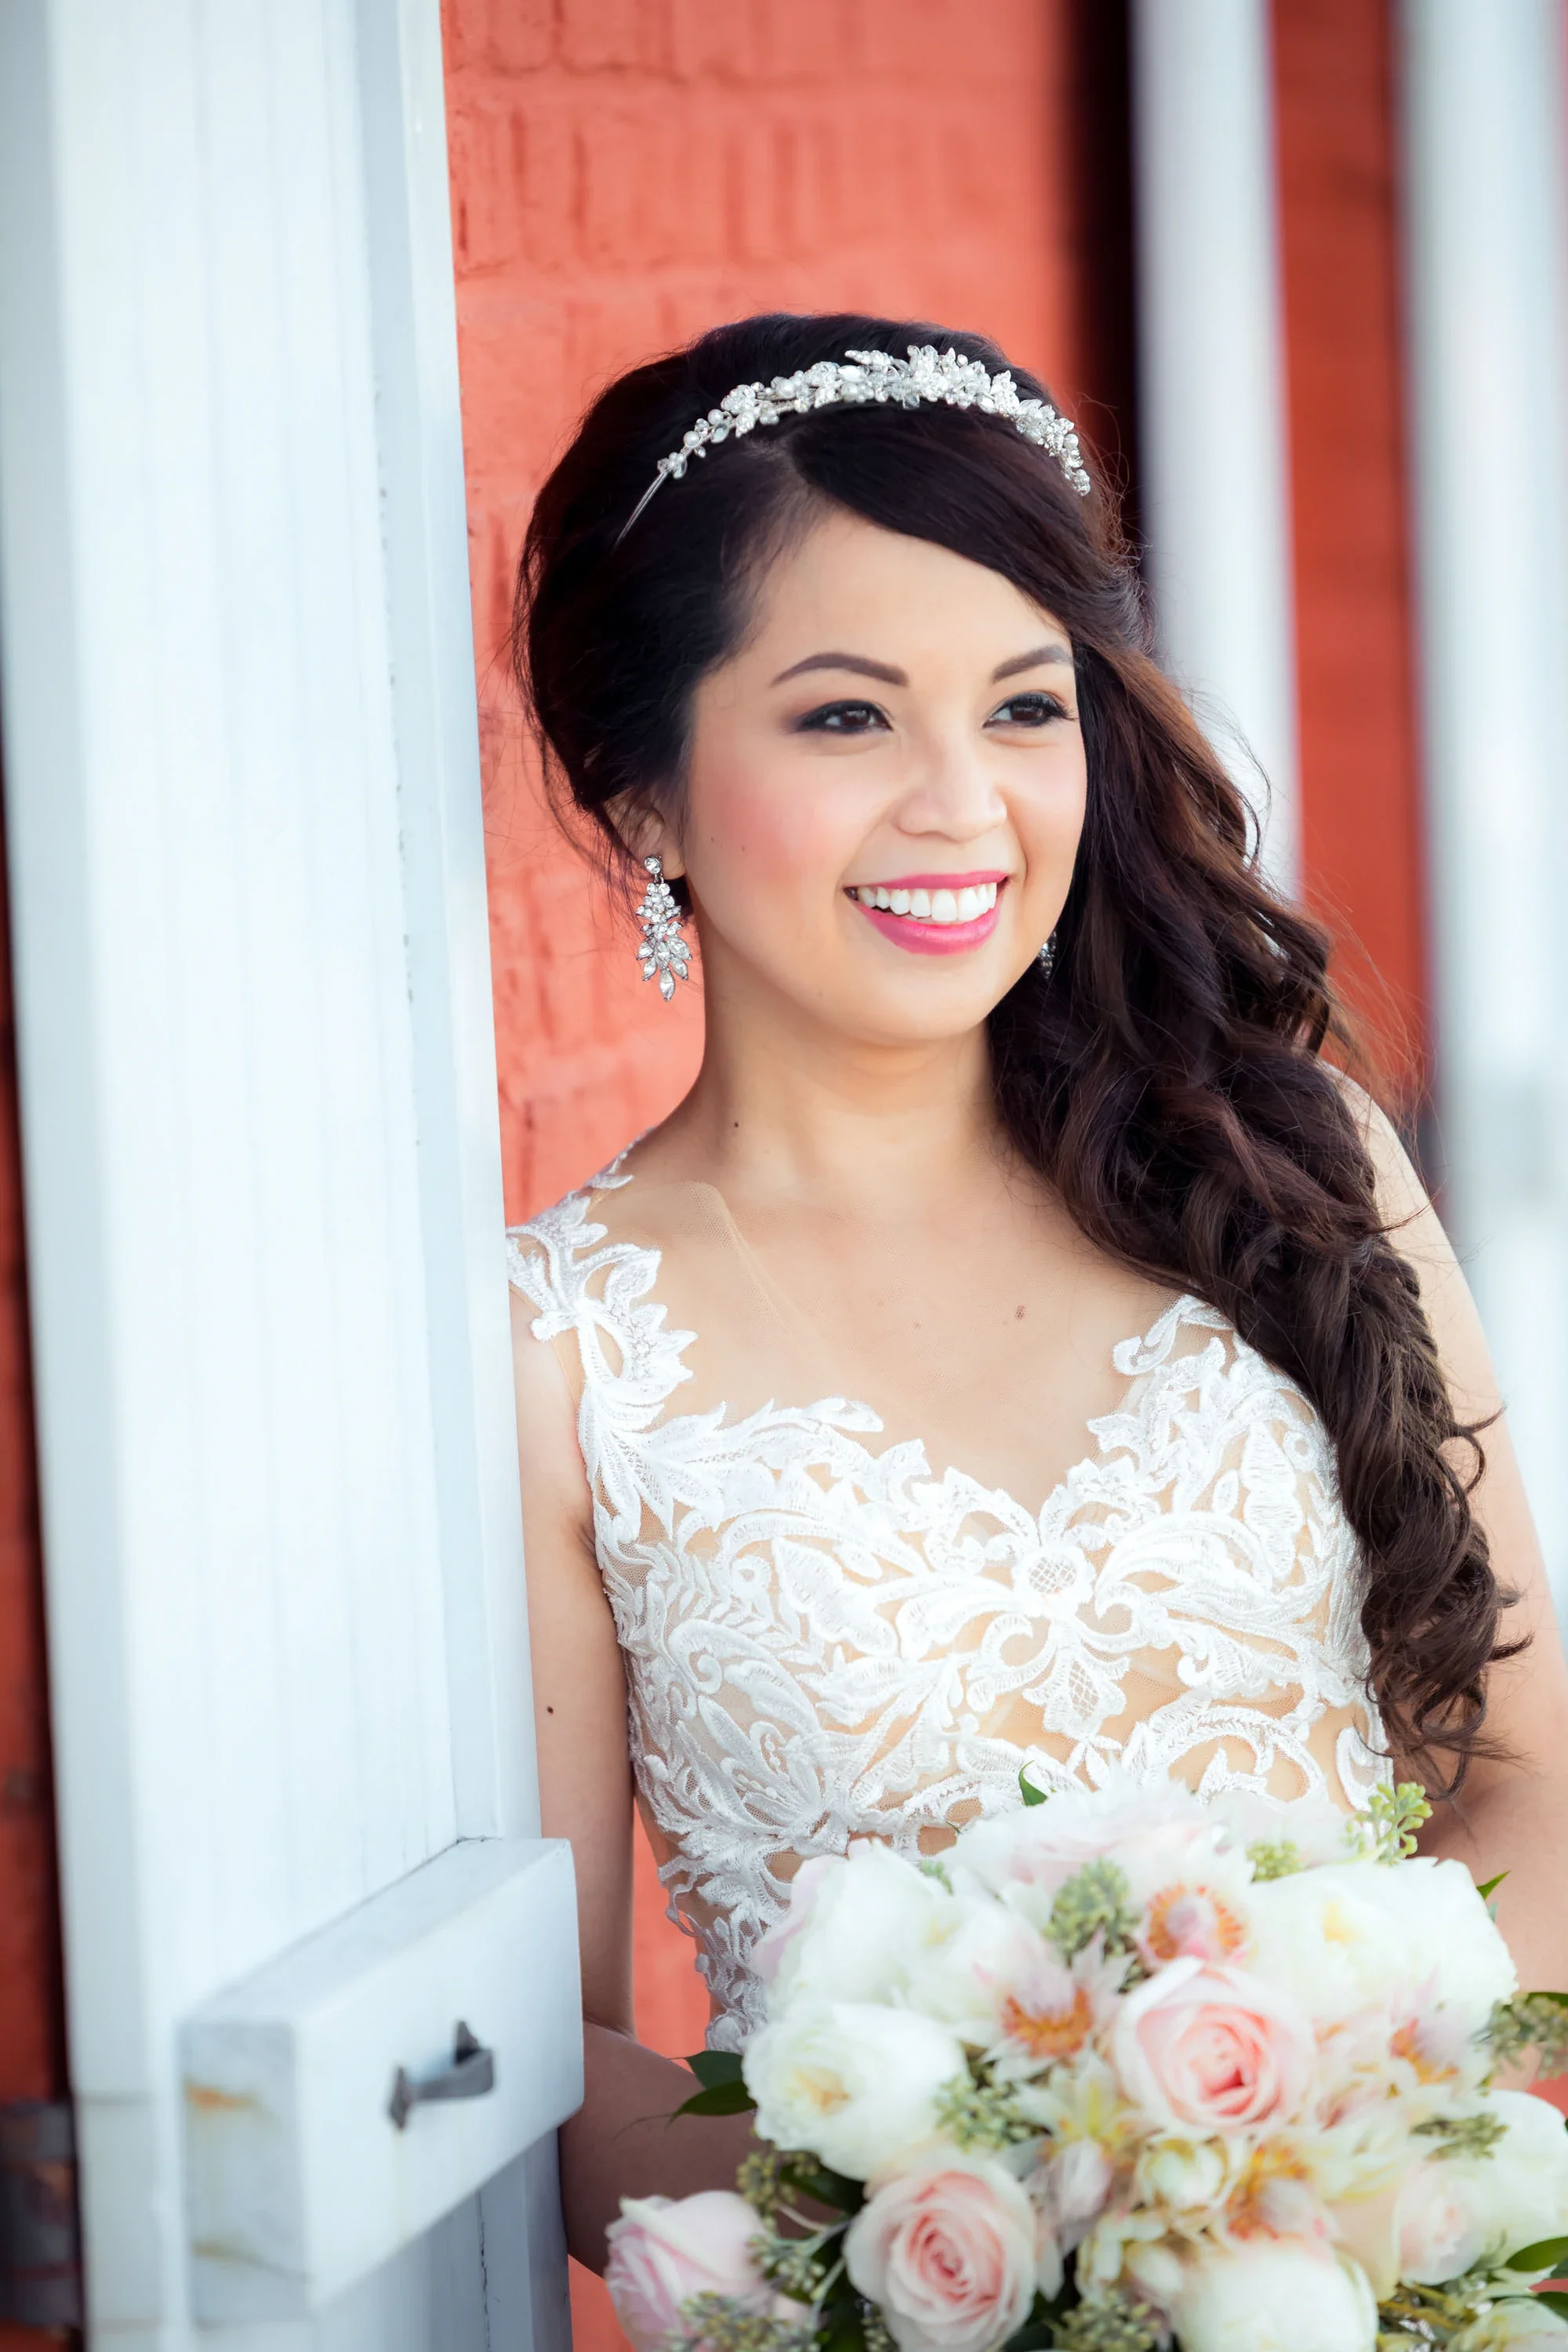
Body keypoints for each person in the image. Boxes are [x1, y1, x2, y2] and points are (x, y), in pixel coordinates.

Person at [503, 313, 1568, 2273]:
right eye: (844, 718)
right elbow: (546, 2059)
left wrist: (1285, 2182)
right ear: (643, 793)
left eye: (1021, 704)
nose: (962, 806)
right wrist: (984, 2247)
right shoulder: (559, 1351)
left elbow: (1527, 1782)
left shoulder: (1294, 1165)